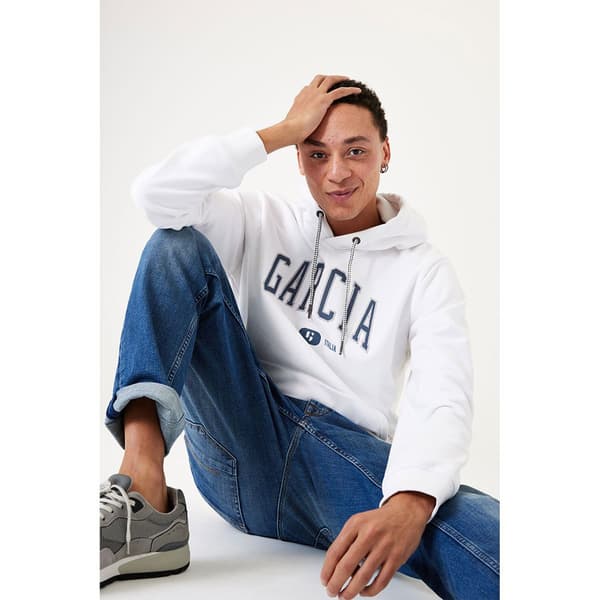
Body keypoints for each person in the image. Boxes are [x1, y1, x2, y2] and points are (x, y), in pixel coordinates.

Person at [100, 74, 499, 599]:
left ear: (385, 152)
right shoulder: (261, 220)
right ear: (298, 157)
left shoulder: (425, 270)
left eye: (355, 151)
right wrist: (280, 132)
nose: (336, 172)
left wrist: (411, 501)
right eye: (316, 153)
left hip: (340, 464)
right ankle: (144, 490)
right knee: (174, 246)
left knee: (465, 519)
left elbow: (443, 393)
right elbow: (156, 195)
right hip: (243, 440)